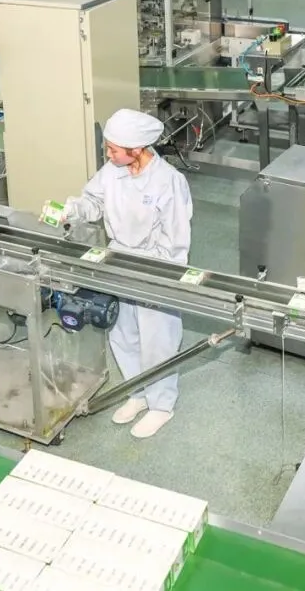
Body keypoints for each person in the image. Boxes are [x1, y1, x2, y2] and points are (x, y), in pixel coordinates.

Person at [44, 109, 193, 438]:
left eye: (113, 149)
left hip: (154, 266)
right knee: (121, 332)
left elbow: (176, 242)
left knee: (157, 339)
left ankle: (161, 405)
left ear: (136, 149)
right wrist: (70, 210)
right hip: (117, 259)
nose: (108, 154)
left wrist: (158, 277)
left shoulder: (169, 182)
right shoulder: (113, 170)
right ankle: (137, 392)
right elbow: (92, 202)